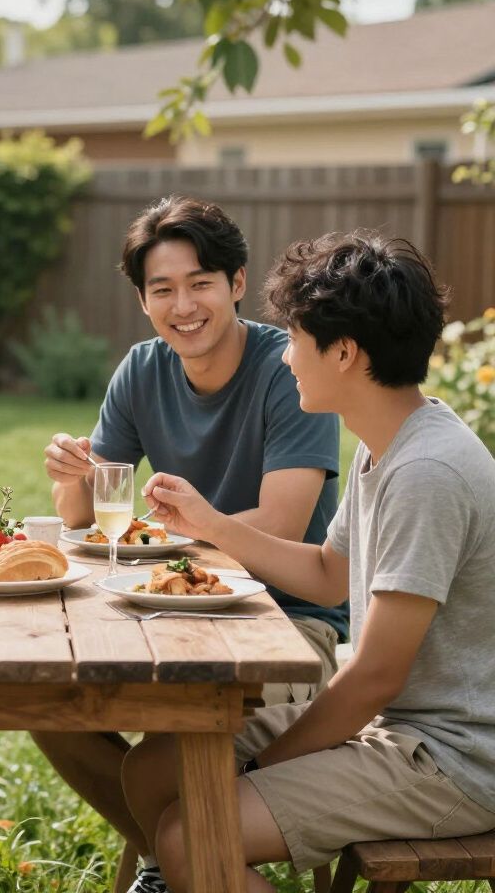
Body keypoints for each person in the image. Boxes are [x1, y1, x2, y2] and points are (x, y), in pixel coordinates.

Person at [122, 232, 495, 893]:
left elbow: (375, 677)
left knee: (192, 838)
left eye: (295, 338)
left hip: (452, 759)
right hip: (405, 728)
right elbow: (328, 572)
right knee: (154, 771)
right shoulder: (388, 445)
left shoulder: (427, 472)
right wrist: (208, 523)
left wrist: (267, 764)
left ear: (345, 353)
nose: (286, 355)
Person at [35, 195, 345, 885]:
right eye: (163, 289)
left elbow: (285, 524)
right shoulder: (142, 369)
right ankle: (166, 857)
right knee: (49, 711)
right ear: (143, 300)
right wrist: (71, 476)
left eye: (201, 283)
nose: (184, 305)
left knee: (167, 754)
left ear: (237, 285)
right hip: (170, 613)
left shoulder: (288, 369)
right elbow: (87, 516)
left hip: (288, 623)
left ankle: (174, 864)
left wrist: (186, 533)